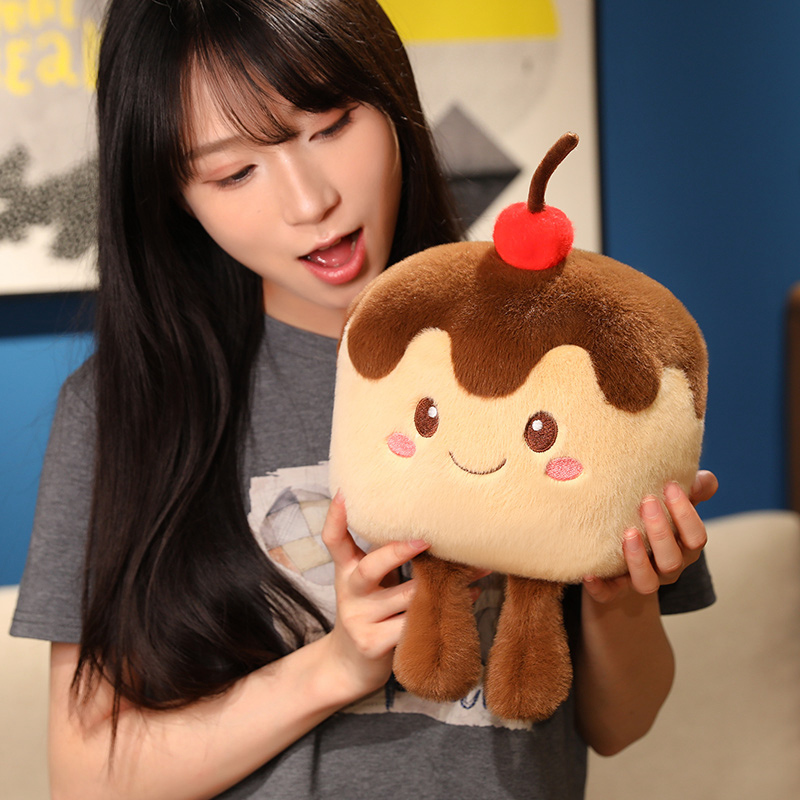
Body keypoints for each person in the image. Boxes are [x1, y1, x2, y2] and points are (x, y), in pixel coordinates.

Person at [10, 1, 717, 798]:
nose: (309, 200)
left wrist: (621, 599)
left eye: (331, 126)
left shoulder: (561, 349)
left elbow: (619, 726)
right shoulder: (122, 409)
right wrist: (337, 666)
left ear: (391, 100)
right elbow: (86, 776)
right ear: (175, 196)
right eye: (234, 172)